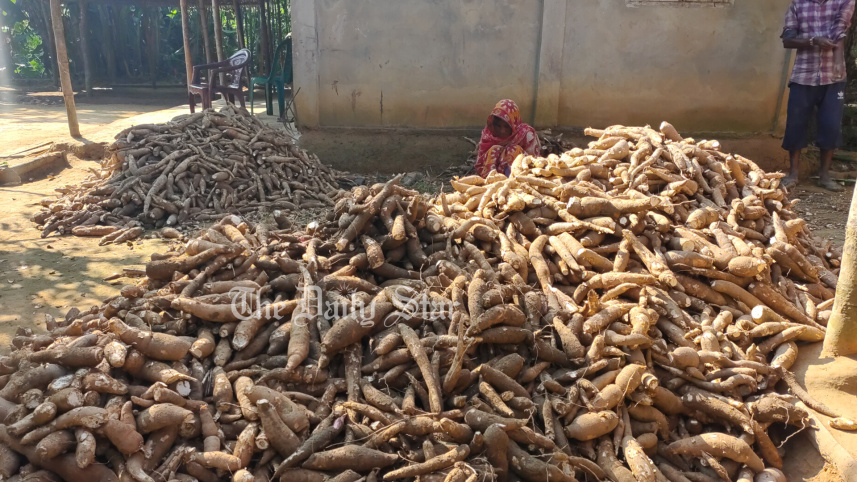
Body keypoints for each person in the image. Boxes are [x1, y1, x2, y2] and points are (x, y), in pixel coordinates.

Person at [781, 0, 855, 192]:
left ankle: (824, 176)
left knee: (831, 126)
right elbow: (787, 40)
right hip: (802, 76)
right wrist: (813, 41)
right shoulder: (797, 5)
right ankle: (793, 174)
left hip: (834, 77)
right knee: (795, 125)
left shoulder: (843, 2)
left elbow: (841, 27)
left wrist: (838, 60)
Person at [475, 99, 541, 178]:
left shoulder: (526, 135)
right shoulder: (489, 134)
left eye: (506, 126)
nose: (502, 131)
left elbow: (534, 161)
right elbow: (480, 163)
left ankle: (510, 181)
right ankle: (491, 180)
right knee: (494, 149)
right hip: (495, 174)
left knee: (513, 150)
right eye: (498, 126)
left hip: (522, 174)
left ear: (514, 124)